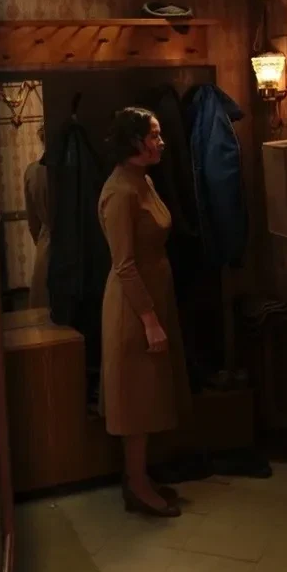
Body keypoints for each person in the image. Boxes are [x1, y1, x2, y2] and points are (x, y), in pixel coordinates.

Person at [98, 107, 192, 518]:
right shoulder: (121, 191)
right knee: (136, 398)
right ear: (135, 141)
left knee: (149, 394)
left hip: (153, 295)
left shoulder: (143, 180)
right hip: (133, 306)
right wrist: (149, 319)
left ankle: (141, 477)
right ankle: (135, 485)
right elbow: (124, 265)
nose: (161, 141)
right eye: (154, 135)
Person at [23, 126, 50, 309]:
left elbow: (33, 222)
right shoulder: (70, 169)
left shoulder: (32, 171)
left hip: (46, 242)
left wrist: (41, 240)